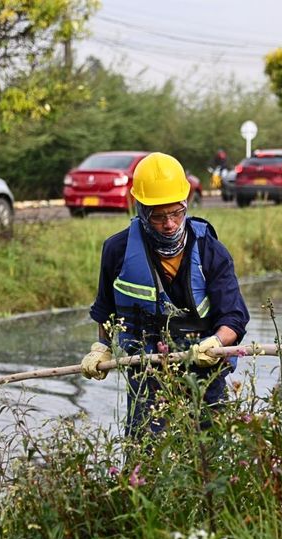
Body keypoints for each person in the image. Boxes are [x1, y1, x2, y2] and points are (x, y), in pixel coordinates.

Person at [81, 152, 249, 435]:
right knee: (145, 455)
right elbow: (106, 311)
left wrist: (217, 342)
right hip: (146, 368)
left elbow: (234, 317)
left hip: (203, 370)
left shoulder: (211, 251)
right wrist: (101, 348)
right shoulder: (117, 250)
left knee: (209, 453)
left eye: (176, 213)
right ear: (140, 210)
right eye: (158, 217)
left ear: (186, 204)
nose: (170, 224)